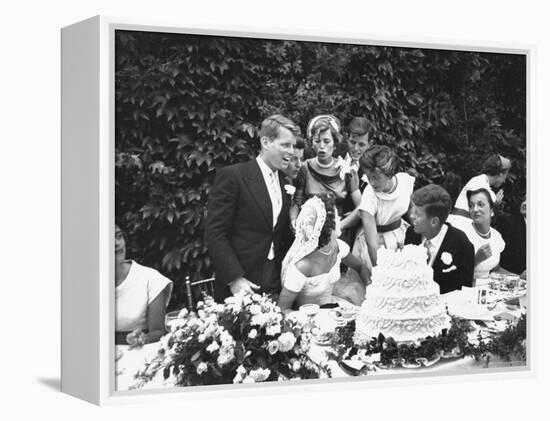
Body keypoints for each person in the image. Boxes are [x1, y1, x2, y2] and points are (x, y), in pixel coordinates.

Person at [205, 114, 299, 302]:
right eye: (285, 145)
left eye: (293, 146)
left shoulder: (283, 183)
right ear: (266, 142)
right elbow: (215, 233)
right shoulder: (234, 177)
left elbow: (280, 236)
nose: (291, 152)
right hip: (240, 286)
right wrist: (234, 279)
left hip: (274, 284)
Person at [278, 194, 369, 314]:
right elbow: (283, 309)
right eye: (337, 217)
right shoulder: (302, 265)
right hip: (310, 321)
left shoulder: (337, 247)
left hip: (334, 309)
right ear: (328, 227)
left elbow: (360, 267)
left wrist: (370, 285)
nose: (340, 220)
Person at [291, 114, 361, 233]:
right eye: (317, 141)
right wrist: (294, 222)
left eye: (327, 141)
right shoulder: (305, 168)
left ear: (335, 144)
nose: (322, 146)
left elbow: (361, 207)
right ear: (312, 143)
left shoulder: (346, 171)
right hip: (309, 232)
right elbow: (297, 202)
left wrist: (340, 225)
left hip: (337, 233)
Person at [405, 185, 475, 294]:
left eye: (417, 213)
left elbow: (465, 292)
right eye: (413, 210)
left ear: (434, 222)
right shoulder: (411, 233)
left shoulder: (462, 245)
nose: (411, 216)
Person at [356, 145, 415, 267]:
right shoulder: (369, 195)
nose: (372, 182)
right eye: (369, 177)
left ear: (389, 173)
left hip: (401, 236)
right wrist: (379, 272)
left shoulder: (405, 182)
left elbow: (413, 214)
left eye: (376, 177)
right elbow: (372, 243)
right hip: (377, 245)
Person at [115, 224, 173, 345]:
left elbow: (158, 332)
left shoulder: (150, 278)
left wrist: (143, 338)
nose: (117, 243)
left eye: (119, 236)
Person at [448, 153, 511, 231]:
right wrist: (496, 203)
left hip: (456, 223)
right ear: (501, 174)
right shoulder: (483, 187)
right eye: (506, 175)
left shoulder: (477, 180)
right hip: (462, 226)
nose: (504, 181)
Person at [460, 188, 506, 280]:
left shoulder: (496, 236)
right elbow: (453, 274)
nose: (475, 209)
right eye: (471, 205)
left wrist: (518, 278)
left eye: (480, 204)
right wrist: (476, 259)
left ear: (492, 210)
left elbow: (495, 270)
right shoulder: (461, 235)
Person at [494, 197, 527, 278]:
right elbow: (496, 265)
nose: (525, 203)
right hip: (508, 278)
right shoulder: (507, 222)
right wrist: (518, 277)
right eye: (524, 199)